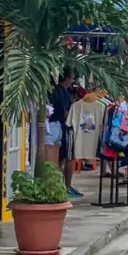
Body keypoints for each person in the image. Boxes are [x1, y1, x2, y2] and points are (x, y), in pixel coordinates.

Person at [49, 68, 81, 199]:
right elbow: (65, 113)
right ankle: (66, 186)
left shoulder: (60, 91)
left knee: (59, 158)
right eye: (72, 78)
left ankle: (61, 186)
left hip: (57, 126)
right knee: (67, 157)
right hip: (63, 127)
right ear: (67, 79)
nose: (72, 81)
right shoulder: (61, 92)